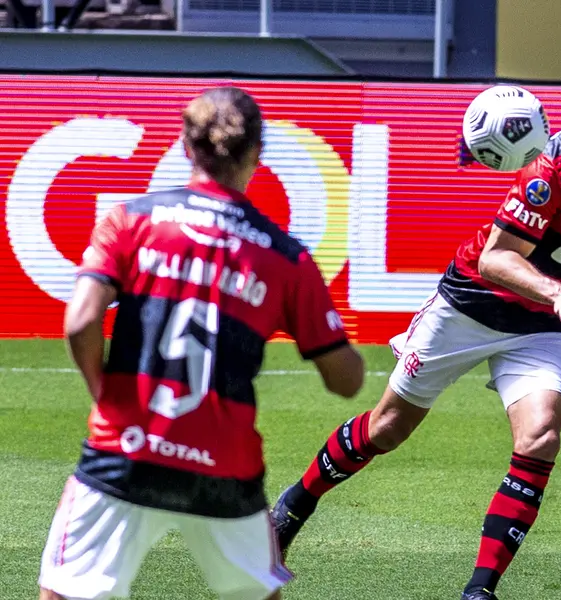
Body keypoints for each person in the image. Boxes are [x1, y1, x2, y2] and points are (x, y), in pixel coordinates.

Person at [269, 56, 561, 600]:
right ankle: (289, 509)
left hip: (543, 323)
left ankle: (480, 591)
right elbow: (497, 258)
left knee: (541, 437)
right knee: (387, 429)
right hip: (473, 305)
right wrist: (559, 290)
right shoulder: (557, 166)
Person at [37, 86, 366, 600]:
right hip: (225, 464)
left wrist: (105, 396)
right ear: (257, 154)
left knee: (66, 593)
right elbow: (346, 381)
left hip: (126, 448)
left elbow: (80, 322)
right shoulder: (286, 258)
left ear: (186, 147)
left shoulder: (129, 220)